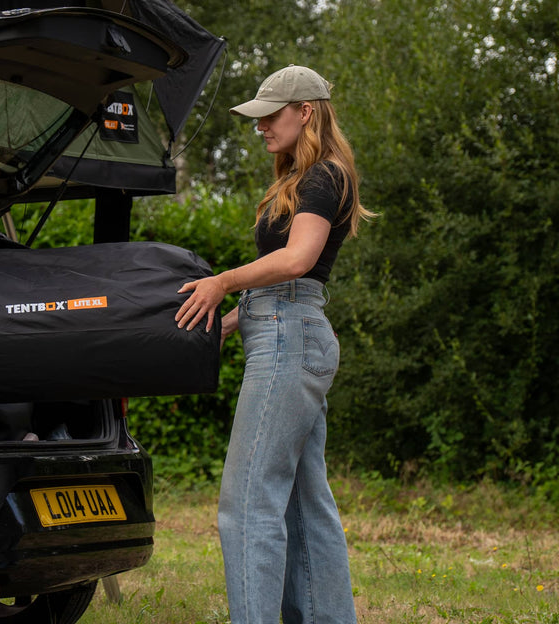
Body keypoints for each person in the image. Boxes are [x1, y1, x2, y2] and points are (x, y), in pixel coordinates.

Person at [175, 65, 373, 623]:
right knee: (304, 509)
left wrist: (222, 281)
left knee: (247, 506)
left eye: (269, 115)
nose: (260, 127)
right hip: (292, 333)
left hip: (290, 342)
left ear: (304, 111)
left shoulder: (322, 177)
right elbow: (287, 288)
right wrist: (222, 322)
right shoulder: (307, 178)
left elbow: (296, 261)